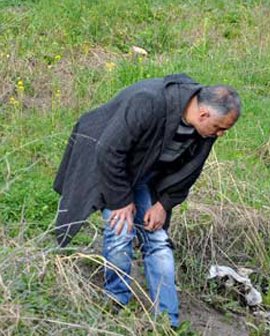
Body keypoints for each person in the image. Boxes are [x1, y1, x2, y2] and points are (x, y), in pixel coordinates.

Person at [53, 74, 241, 326]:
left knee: (157, 238)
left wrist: (163, 204)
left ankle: (167, 321)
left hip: (144, 170)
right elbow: (109, 151)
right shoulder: (149, 102)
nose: (220, 135)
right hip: (106, 160)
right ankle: (115, 304)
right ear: (204, 115)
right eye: (220, 128)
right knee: (121, 228)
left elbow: (189, 171)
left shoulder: (206, 131)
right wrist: (121, 200)